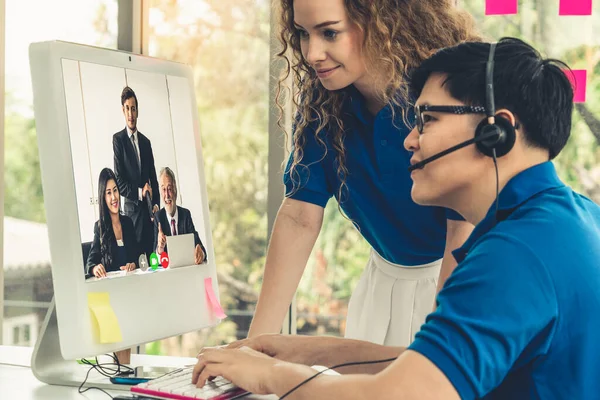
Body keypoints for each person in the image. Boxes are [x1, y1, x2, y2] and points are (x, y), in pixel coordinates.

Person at [192, 37, 600, 399]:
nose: (409, 139)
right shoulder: (570, 220)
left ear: (497, 131)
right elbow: (430, 368)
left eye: (427, 120)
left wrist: (272, 377)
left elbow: (404, 393)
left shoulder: (511, 256)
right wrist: (306, 352)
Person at [248, 0, 479, 347]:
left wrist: (441, 341)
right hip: (381, 287)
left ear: (381, 19)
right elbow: (299, 217)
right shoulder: (322, 107)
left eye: (329, 32)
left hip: (458, 283)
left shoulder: (441, 97)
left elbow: (463, 225)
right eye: (302, 34)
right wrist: (254, 346)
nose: (312, 53)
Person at [113, 86, 159, 258]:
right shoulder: (119, 140)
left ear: (137, 111)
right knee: (137, 262)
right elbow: (119, 182)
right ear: (123, 111)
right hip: (132, 216)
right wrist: (140, 192)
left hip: (149, 216)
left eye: (133, 108)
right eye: (127, 109)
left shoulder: (146, 143)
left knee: (153, 261)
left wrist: (155, 206)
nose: (131, 113)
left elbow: (153, 179)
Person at [87, 168, 140, 278]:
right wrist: (94, 268)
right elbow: (90, 262)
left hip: (131, 282)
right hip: (112, 288)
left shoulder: (128, 222)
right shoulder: (99, 227)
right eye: (108, 193)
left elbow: (138, 256)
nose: (113, 197)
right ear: (103, 197)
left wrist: (134, 264)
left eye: (115, 190)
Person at [154, 167, 207, 264]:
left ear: (175, 190)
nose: (167, 195)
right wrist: (160, 249)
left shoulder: (185, 215)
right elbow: (153, 262)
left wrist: (201, 253)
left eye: (169, 189)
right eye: (163, 189)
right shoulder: (158, 218)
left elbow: (201, 249)